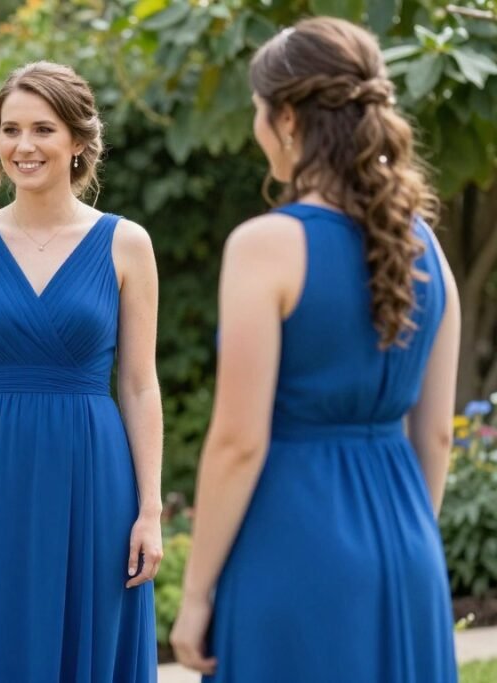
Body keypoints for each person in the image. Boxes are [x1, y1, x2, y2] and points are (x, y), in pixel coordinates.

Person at [170, 17, 460, 683]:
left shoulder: (264, 246)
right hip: (408, 551)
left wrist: (195, 594)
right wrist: (408, 534)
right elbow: (437, 434)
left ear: (289, 118)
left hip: (292, 546)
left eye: (256, 109)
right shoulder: (427, 247)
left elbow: (239, 441)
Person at [0, 61, 162, 682]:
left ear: (78, 141)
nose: (23, 146)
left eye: (43, 129)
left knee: (93, 631)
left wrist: (151, 509)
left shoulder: (127, 243)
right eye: (10, 129)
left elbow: (138, 384)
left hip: (95, 475)